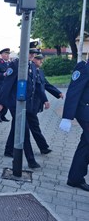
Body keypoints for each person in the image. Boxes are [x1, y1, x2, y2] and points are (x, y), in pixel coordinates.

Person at [0, 58, 44, 169]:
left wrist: (44, 99)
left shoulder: (31, 65)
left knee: (16, 126)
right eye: (30, 53)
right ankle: (31, 160)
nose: (32, 56)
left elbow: (35, 85)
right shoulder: (15, 64)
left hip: (26, 103)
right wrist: (0, 102)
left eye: (34, 54)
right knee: (24, 129)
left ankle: (8, 150)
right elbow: (7, 84)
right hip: (14, 103)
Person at [59, 60, 89, 192]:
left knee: (86, 144)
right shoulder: (84, 66)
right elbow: (74, 91)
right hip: (85, 112)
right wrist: (67, 117)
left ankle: (75, 178)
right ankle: (75, 178)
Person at [28, 54, 63, 154]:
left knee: (20, 126)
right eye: (39, 60)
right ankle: (43, 147)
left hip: (35, 104)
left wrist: (58, 93)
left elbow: (46, 84)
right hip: (30, 103)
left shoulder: (40, 71)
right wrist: (45, 100)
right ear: (33, 59)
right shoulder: (29, 70)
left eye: (41, 60)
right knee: (34, 126)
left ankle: (9, 149)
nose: (41, 62)